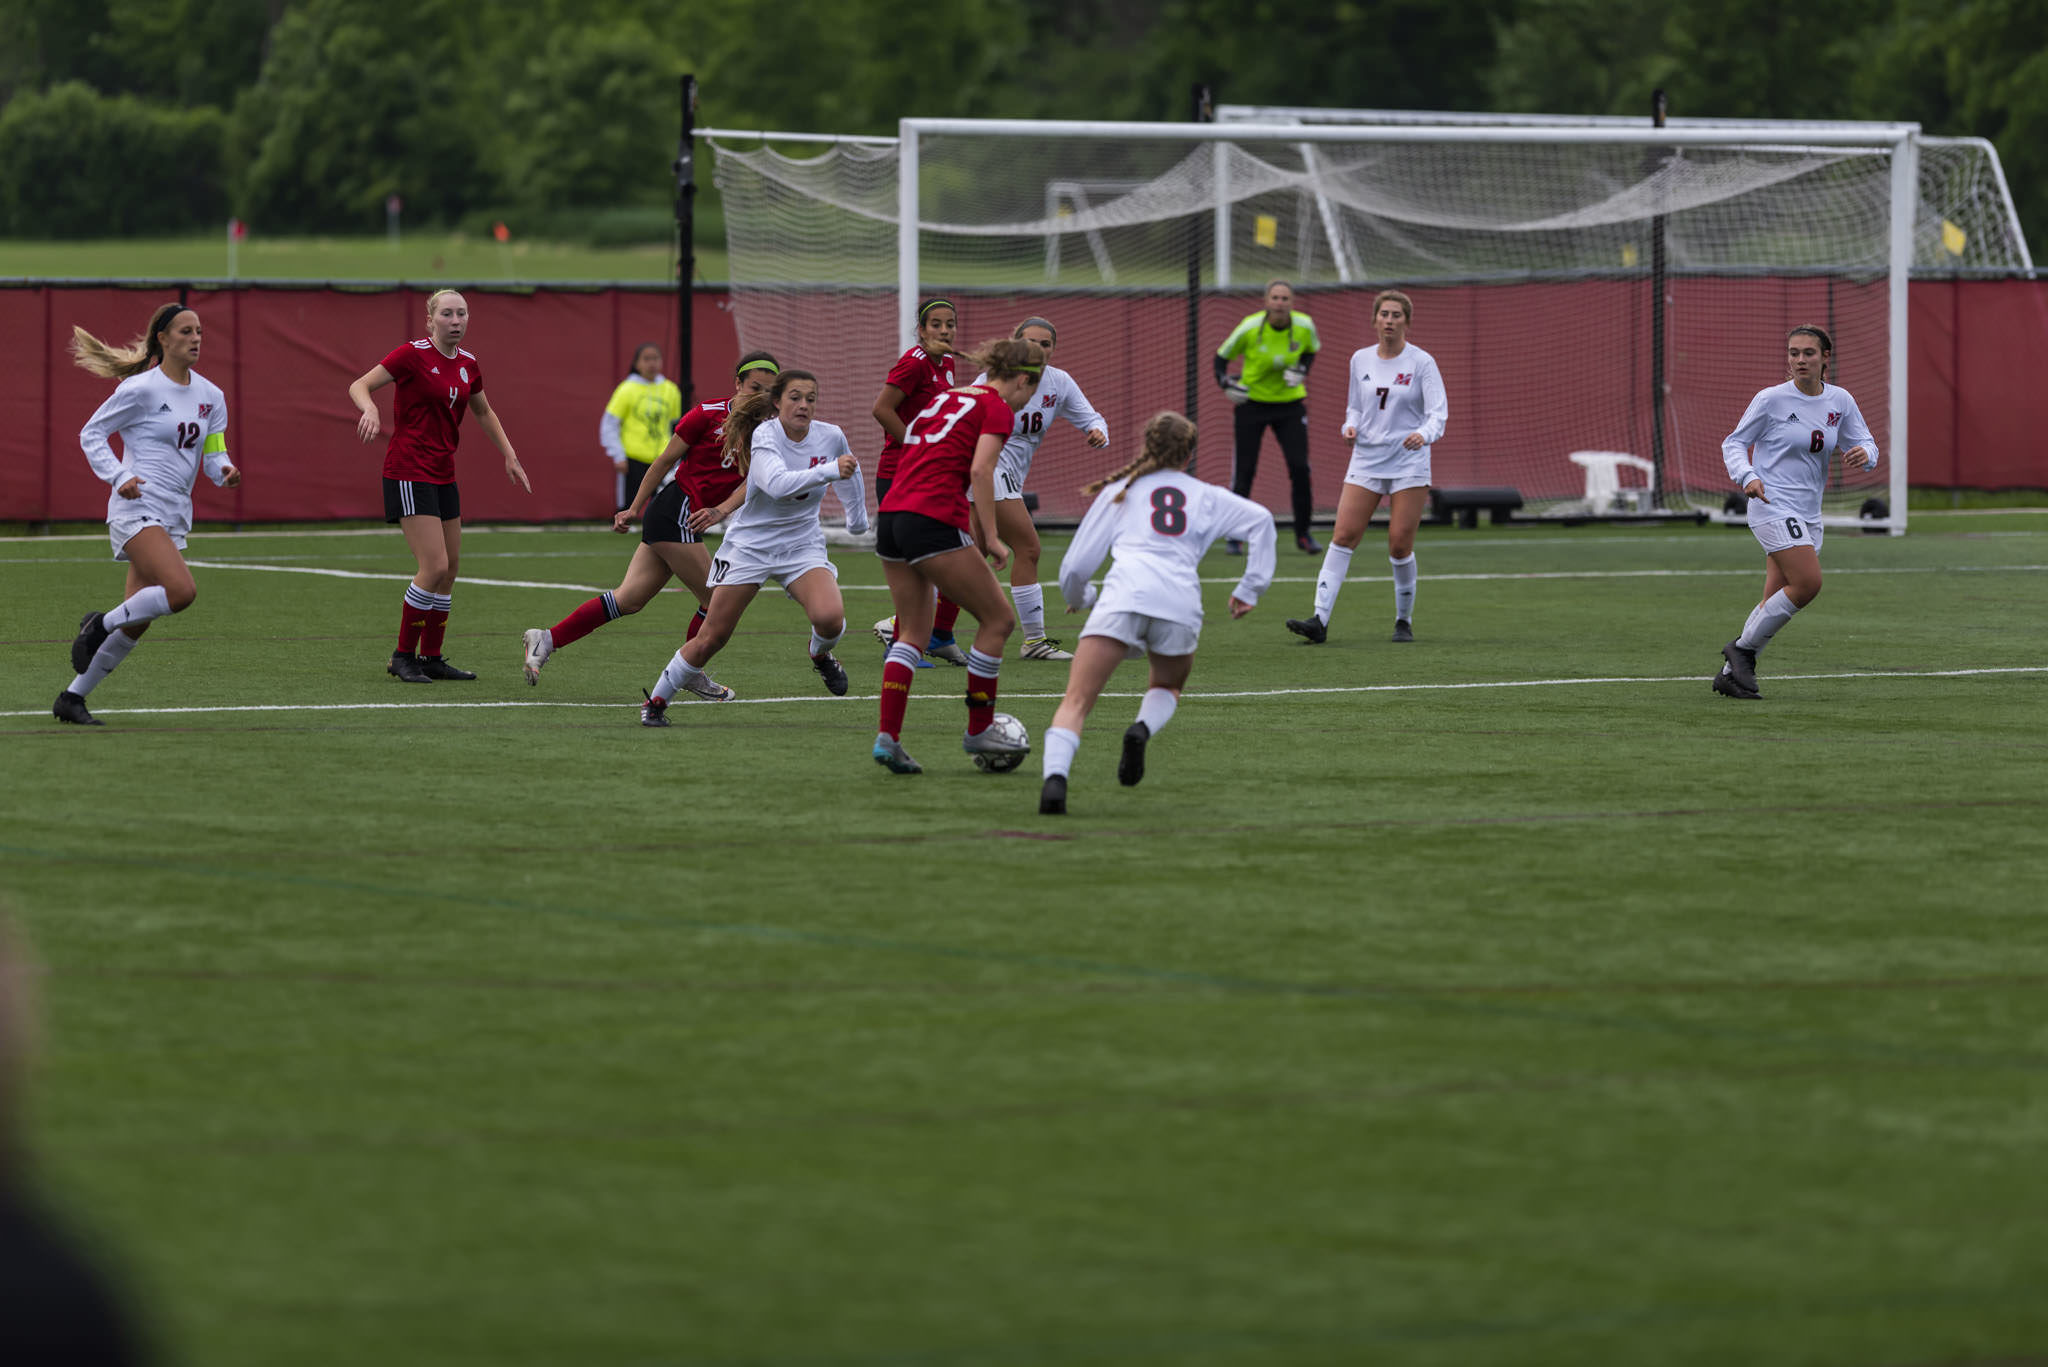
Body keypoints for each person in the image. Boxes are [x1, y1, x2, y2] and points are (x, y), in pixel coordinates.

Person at [1037, 412, 1276, 815]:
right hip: (1179, 603)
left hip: (1123, 597)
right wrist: (1249, 588)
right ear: (1189, 454)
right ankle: (1141, 729)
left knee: (1077, 700)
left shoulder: (1120, 490)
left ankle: (1055, 782)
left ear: (1146, 446)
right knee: (1166, 686)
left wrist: (1083, 595)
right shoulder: (1205, 494)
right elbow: (1262, 520)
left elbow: (1075, 569)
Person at [523, 352, 781, 694]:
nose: (760, 395)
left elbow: (757, 482)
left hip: (681, 517)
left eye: (768, 390)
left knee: (628, 599)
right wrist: (632, 508)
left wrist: (721, 509)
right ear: (737, 384)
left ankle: (547, 639)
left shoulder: (771, 430)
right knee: (716, 599)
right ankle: (688, 671)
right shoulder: (706, 414)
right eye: (754, 387)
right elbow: (662, 463)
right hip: (675, 510)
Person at [639, 369, 867, 726]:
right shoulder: (764, 435)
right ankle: (655, 702)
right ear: (777, 403)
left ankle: (820, 656)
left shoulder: (831, 436)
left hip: (801, 546)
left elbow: (850, 471)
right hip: (750, 547)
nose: (803, 405)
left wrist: (857, 520)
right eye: (795, 398)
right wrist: (828, 471)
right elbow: (777, 484)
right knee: (713, 636)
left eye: (810, 398)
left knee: (830, 619)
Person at [55, 302, 241, 727]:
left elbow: (213, 452)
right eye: (185, 331)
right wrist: (119, 475)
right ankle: (98, 624)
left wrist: (224, 471)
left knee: (137, 621)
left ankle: (71, 698)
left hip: (173, 514)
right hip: (137, 507)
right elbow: (92, 434)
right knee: (181, 593)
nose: (195, 338)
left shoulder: (211, 396)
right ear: (163, 338)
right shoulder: (141, 389)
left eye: (199, 332)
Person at [869, 338, 1043, 774]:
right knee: (999, 620)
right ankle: (980, 729)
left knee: (911, 632)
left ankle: (888, 738)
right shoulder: (997, 407)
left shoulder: (948, 397)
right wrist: (990, 535)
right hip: (931, 518)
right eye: (1031, 391)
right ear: (1022, 379)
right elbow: (982, 470)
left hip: (891, 516)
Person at [348, 288, 530, 684]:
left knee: (451, 570)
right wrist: (370, 407)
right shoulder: (411, 354)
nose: (456, 321)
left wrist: (509, 454)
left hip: (443, 472)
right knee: (434, 566)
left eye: (462, 314)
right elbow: (359, 385)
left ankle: (430, 657)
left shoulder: (468, 362)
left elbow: (483, 409)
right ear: (430, 320)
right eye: (447, 314)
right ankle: (402, 656)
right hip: (409, 470)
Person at [1711, 324, 1877, 700]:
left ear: (1825, 358)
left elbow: (1865, 441)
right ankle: (1741, 651)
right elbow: (1734, 443)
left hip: (1808, 514)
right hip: (1770, 505)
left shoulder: (1840, 401)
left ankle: (1729, 675)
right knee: (1808, 583)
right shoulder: (1771, 399)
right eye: (1793, 353)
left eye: (1808, 353)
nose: (1800, 360)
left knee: (1774, 596)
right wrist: (1747, 476)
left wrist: (1867, 455)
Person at [1285, 289, 1448, 646]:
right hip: (1367, 458)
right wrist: (1350, 427)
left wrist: (1424, 434)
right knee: (1343, 536)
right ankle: (1319, 619)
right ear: (1374, 320)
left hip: (1408, 461)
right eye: (1384, 314)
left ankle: (1403, 620)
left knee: (1399, 545)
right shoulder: (1359, 359)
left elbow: (1438, 413)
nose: (1389, 321)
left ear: (1407, 321)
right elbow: (1355, 408)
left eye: (1396, 315)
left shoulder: (1422, 363)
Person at [968, 315, 1109, 661]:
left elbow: (1092, 417)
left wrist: (1097, 433)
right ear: (1014, 344)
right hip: (986, 471)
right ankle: (1034, 641)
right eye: (1030, 342)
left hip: (1005, 477)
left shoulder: (1058, 382)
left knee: (966, 556)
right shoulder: (991, 380)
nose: (1037, 349)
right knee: (1028, 548)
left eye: (1045, 344)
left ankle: (904, 626)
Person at [869, 297, 970, 666]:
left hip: (929, 473)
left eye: (950, 324)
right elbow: (881, 408)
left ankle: (937, 636)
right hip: (900, 473)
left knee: (951, 551)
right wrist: (916, 447)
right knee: (918, 562)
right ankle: (901, 641)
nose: (944, 330)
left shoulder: (947, 363)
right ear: (921, 329)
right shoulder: (914, 363)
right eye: (936, 324)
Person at [1215, 278, 1321, 554]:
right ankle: (1235, 536)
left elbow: (1311, 351)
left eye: (1285, 298)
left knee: (1300, 468)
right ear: (1266, 301)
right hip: (1252, 404)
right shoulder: (1250, 327)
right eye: (1275, 298)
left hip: (1290, 405)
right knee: (1245, 471)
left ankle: (1303, 534)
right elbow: (1220, 359)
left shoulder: (1304, 326)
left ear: (1291, 303)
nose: (1280, 303)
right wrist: (1225, 383)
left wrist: (1302, 370)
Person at [599, 342, 683, 509]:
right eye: (646, 359)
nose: (652, 363)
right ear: (637, 363)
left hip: (662, 458)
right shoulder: (626, 389)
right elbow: (609, 425)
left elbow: (675, 426)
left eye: (656, 359)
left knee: (664, 503)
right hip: (633, 458)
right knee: (628, 505)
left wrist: (675, 455)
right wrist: (618, 455)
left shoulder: (671, 390)